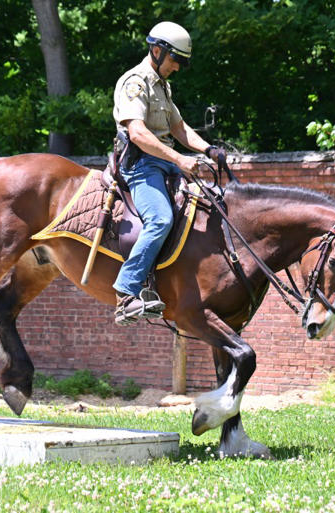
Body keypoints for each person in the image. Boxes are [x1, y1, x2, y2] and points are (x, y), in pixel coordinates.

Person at [112, 21, 226, 326]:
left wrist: (208, 150)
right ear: (158, 50)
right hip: (140, 166)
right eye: (175, 60)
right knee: (160, 219)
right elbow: (137, 133)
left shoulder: (162, 84)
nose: (177, 67)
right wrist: (179, 158)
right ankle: (127, 292)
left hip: (165, 162)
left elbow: (178, 128)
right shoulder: (135, 82)